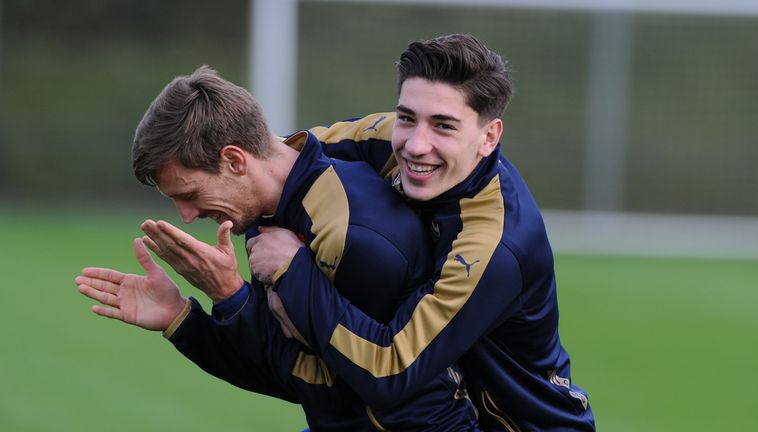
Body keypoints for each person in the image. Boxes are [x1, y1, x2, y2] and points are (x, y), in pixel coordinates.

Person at [75, 66, 480, 431]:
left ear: (235, 161)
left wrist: (230, 294)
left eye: (190, 194)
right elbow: (287, 363)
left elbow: (355, 384)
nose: (187, 215)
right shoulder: (266, 213)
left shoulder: (352, 233)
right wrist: (181, 319)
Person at [248, 34, 596, 431]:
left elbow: (391, 370)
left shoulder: (494, 244)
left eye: (443, 126)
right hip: (428, 415)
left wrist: (294, 272)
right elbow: (274, 162)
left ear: (489, 137)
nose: (416, 145)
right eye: (407, 118)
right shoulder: (387, 138)